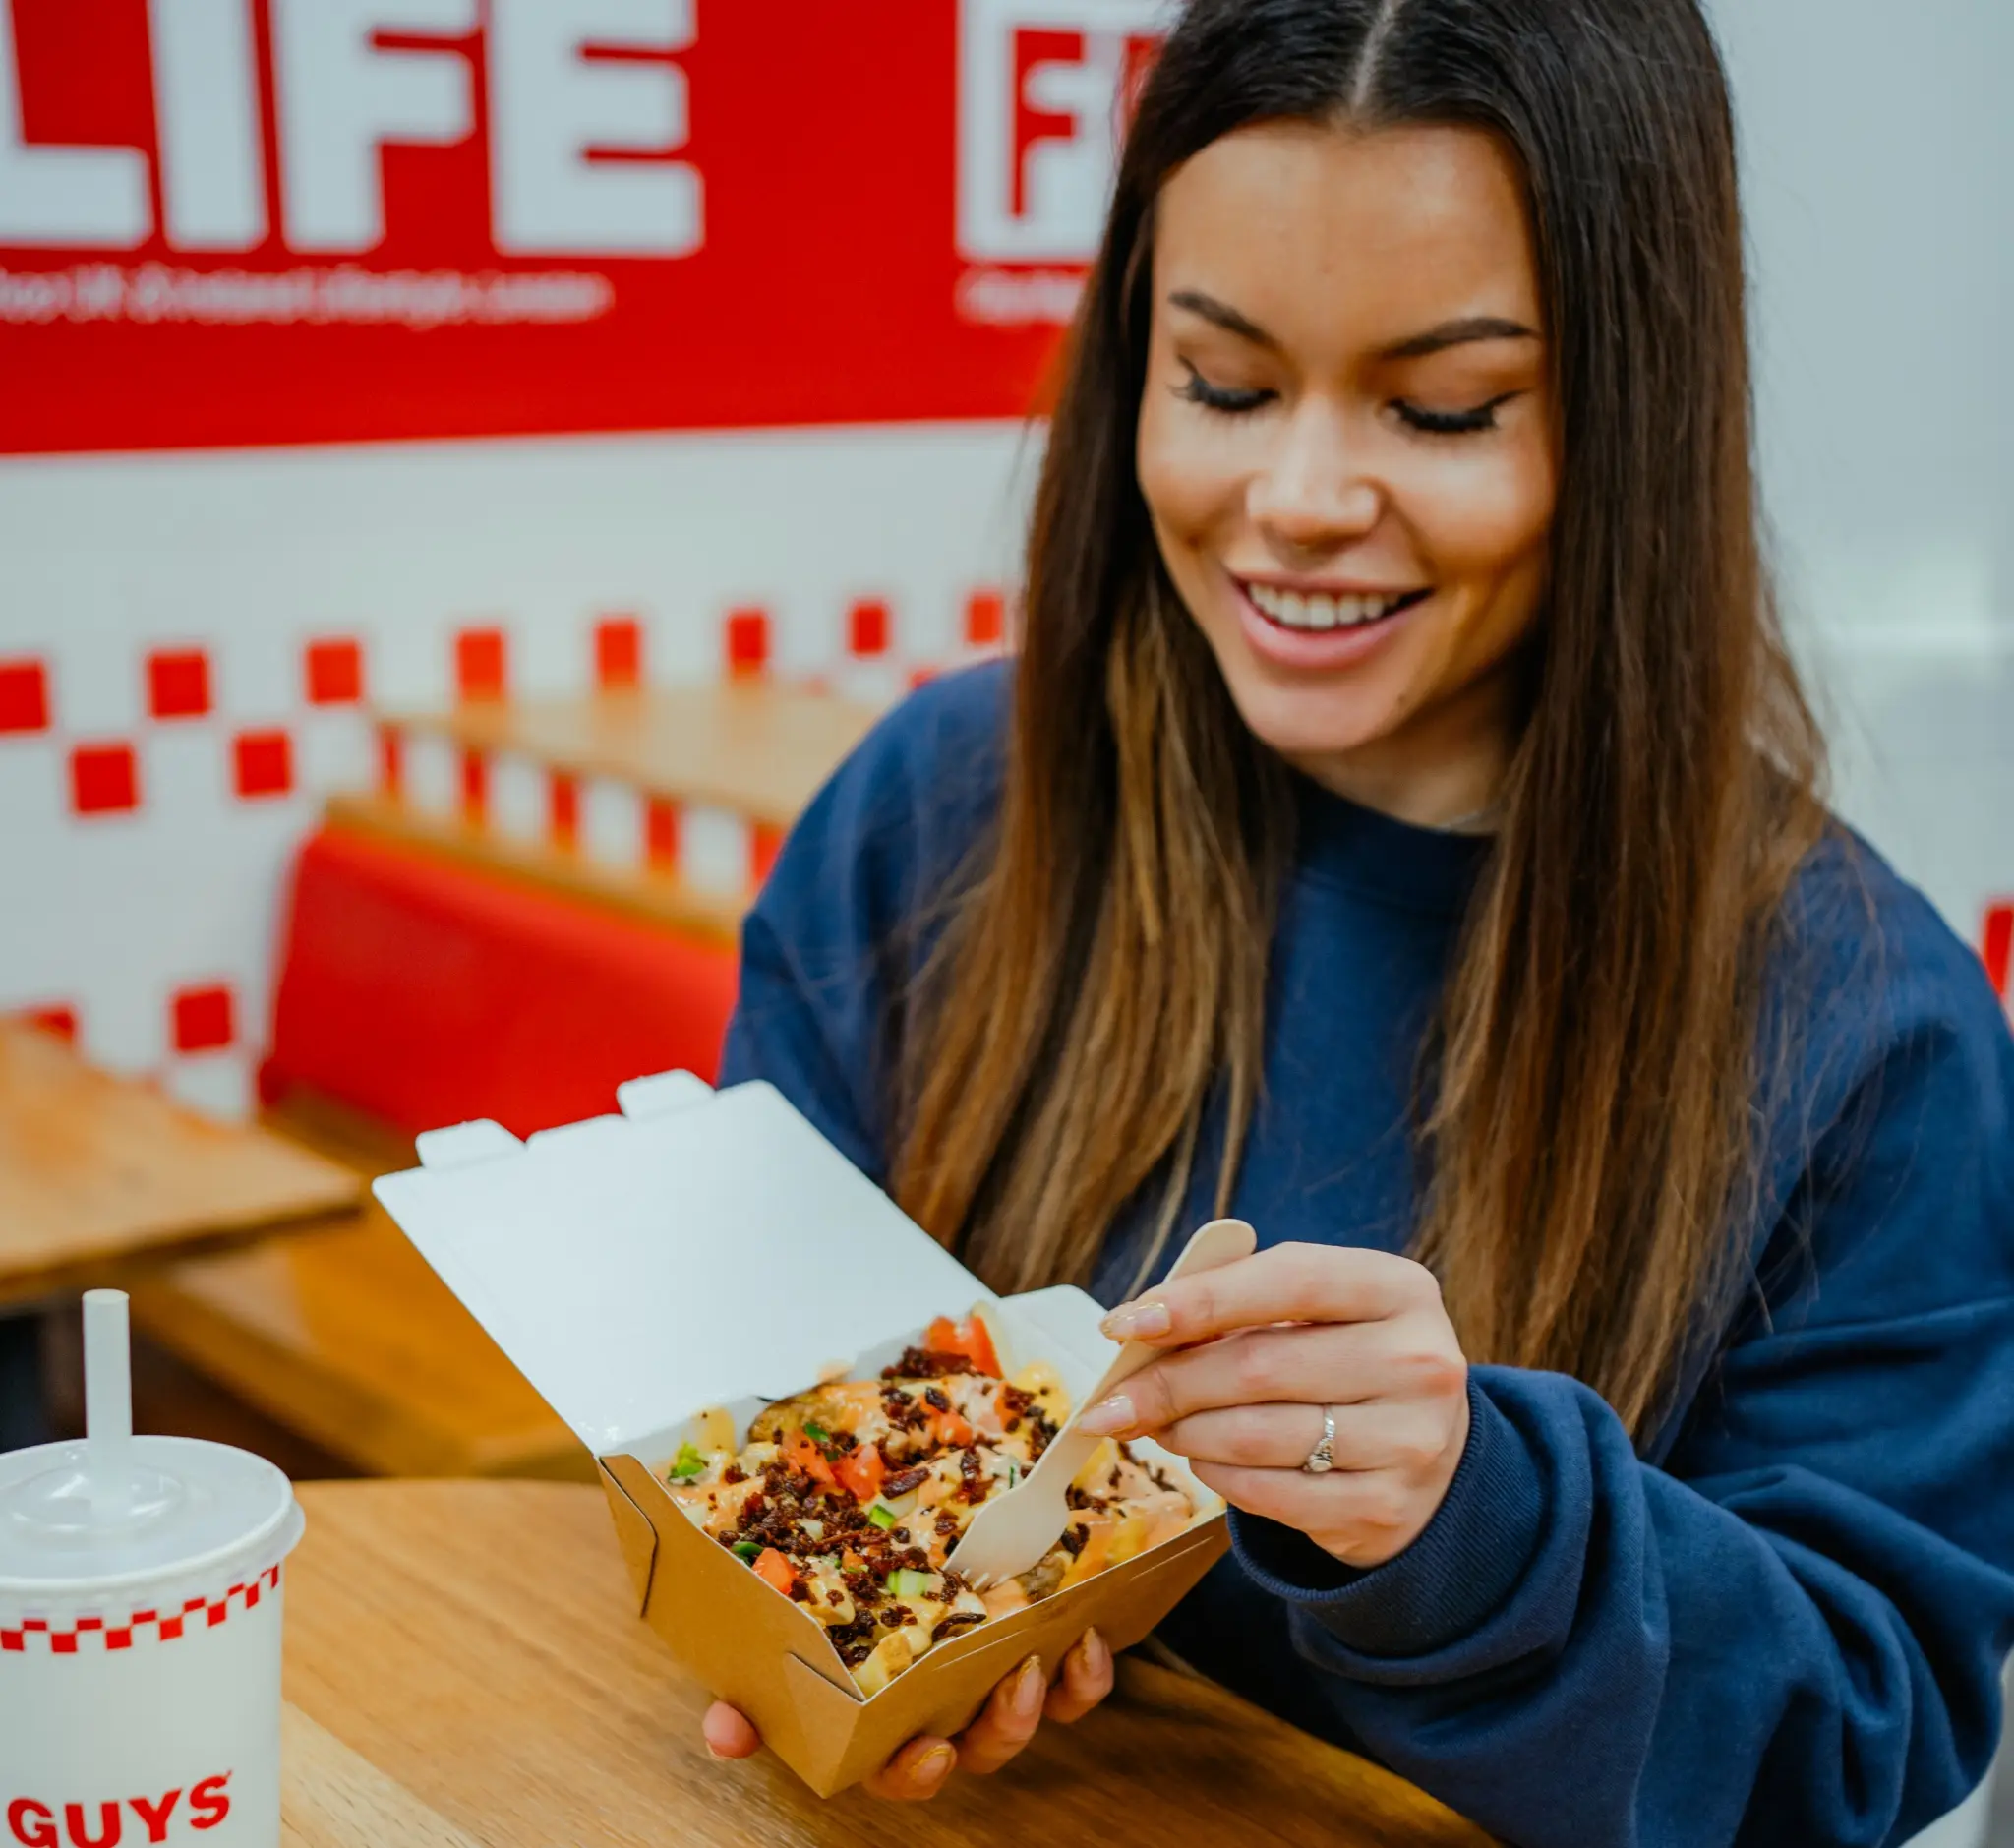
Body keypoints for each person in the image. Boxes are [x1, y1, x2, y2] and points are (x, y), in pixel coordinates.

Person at [701, 0, 2014, 1840]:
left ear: (1634, 417)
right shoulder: (941, 808)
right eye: (1224, 385)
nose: (1300, 503)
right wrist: (856, 1597)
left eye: (1445, 407)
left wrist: (1484, 1519)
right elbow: (739, 1370)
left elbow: (1862, 1738)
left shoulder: (1869, 1030)